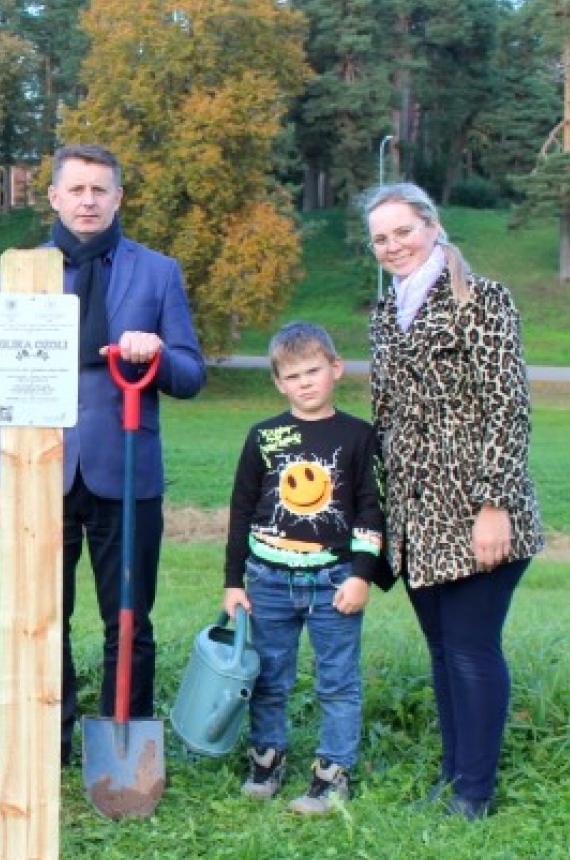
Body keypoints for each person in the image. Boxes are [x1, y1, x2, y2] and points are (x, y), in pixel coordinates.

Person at [0, 143, 206, 766]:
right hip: (40, 470)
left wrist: (154, 353)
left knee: (128, 619)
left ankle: (119, 746)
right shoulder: (23, 272)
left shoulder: (157, 272)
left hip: (127, 471)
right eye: (75, 189)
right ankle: (47, 743)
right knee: (44, 617)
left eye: (99, 190)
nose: (87, 200)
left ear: (118, 198)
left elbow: (190, 373)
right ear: (52, 196)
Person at [362, 182, 543, 820]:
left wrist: (494, 505)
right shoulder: (385, 316)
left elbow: (508, 407)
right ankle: (453, 778)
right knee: (442, 651)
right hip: (417, 519)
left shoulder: (482, 300)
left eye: (403, 231)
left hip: (477, 513)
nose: (393, 246)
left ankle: (475, 794)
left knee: (471, 648)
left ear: (432, 227)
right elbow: (385, 419)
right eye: (381, 238)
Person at [221, 322, 388, 814]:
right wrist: (233, 581)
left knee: (337, 680)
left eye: (314, 370)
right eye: (292, 376)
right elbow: (241, 509)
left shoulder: (359, 437)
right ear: (278, 382)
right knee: (270, 675)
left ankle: (332, 774)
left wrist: (361, 573)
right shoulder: (264, 437)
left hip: (335, 580)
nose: (305, 383)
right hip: (268, 580)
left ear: (336, 368)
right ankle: (266, 760)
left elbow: (371, 509)